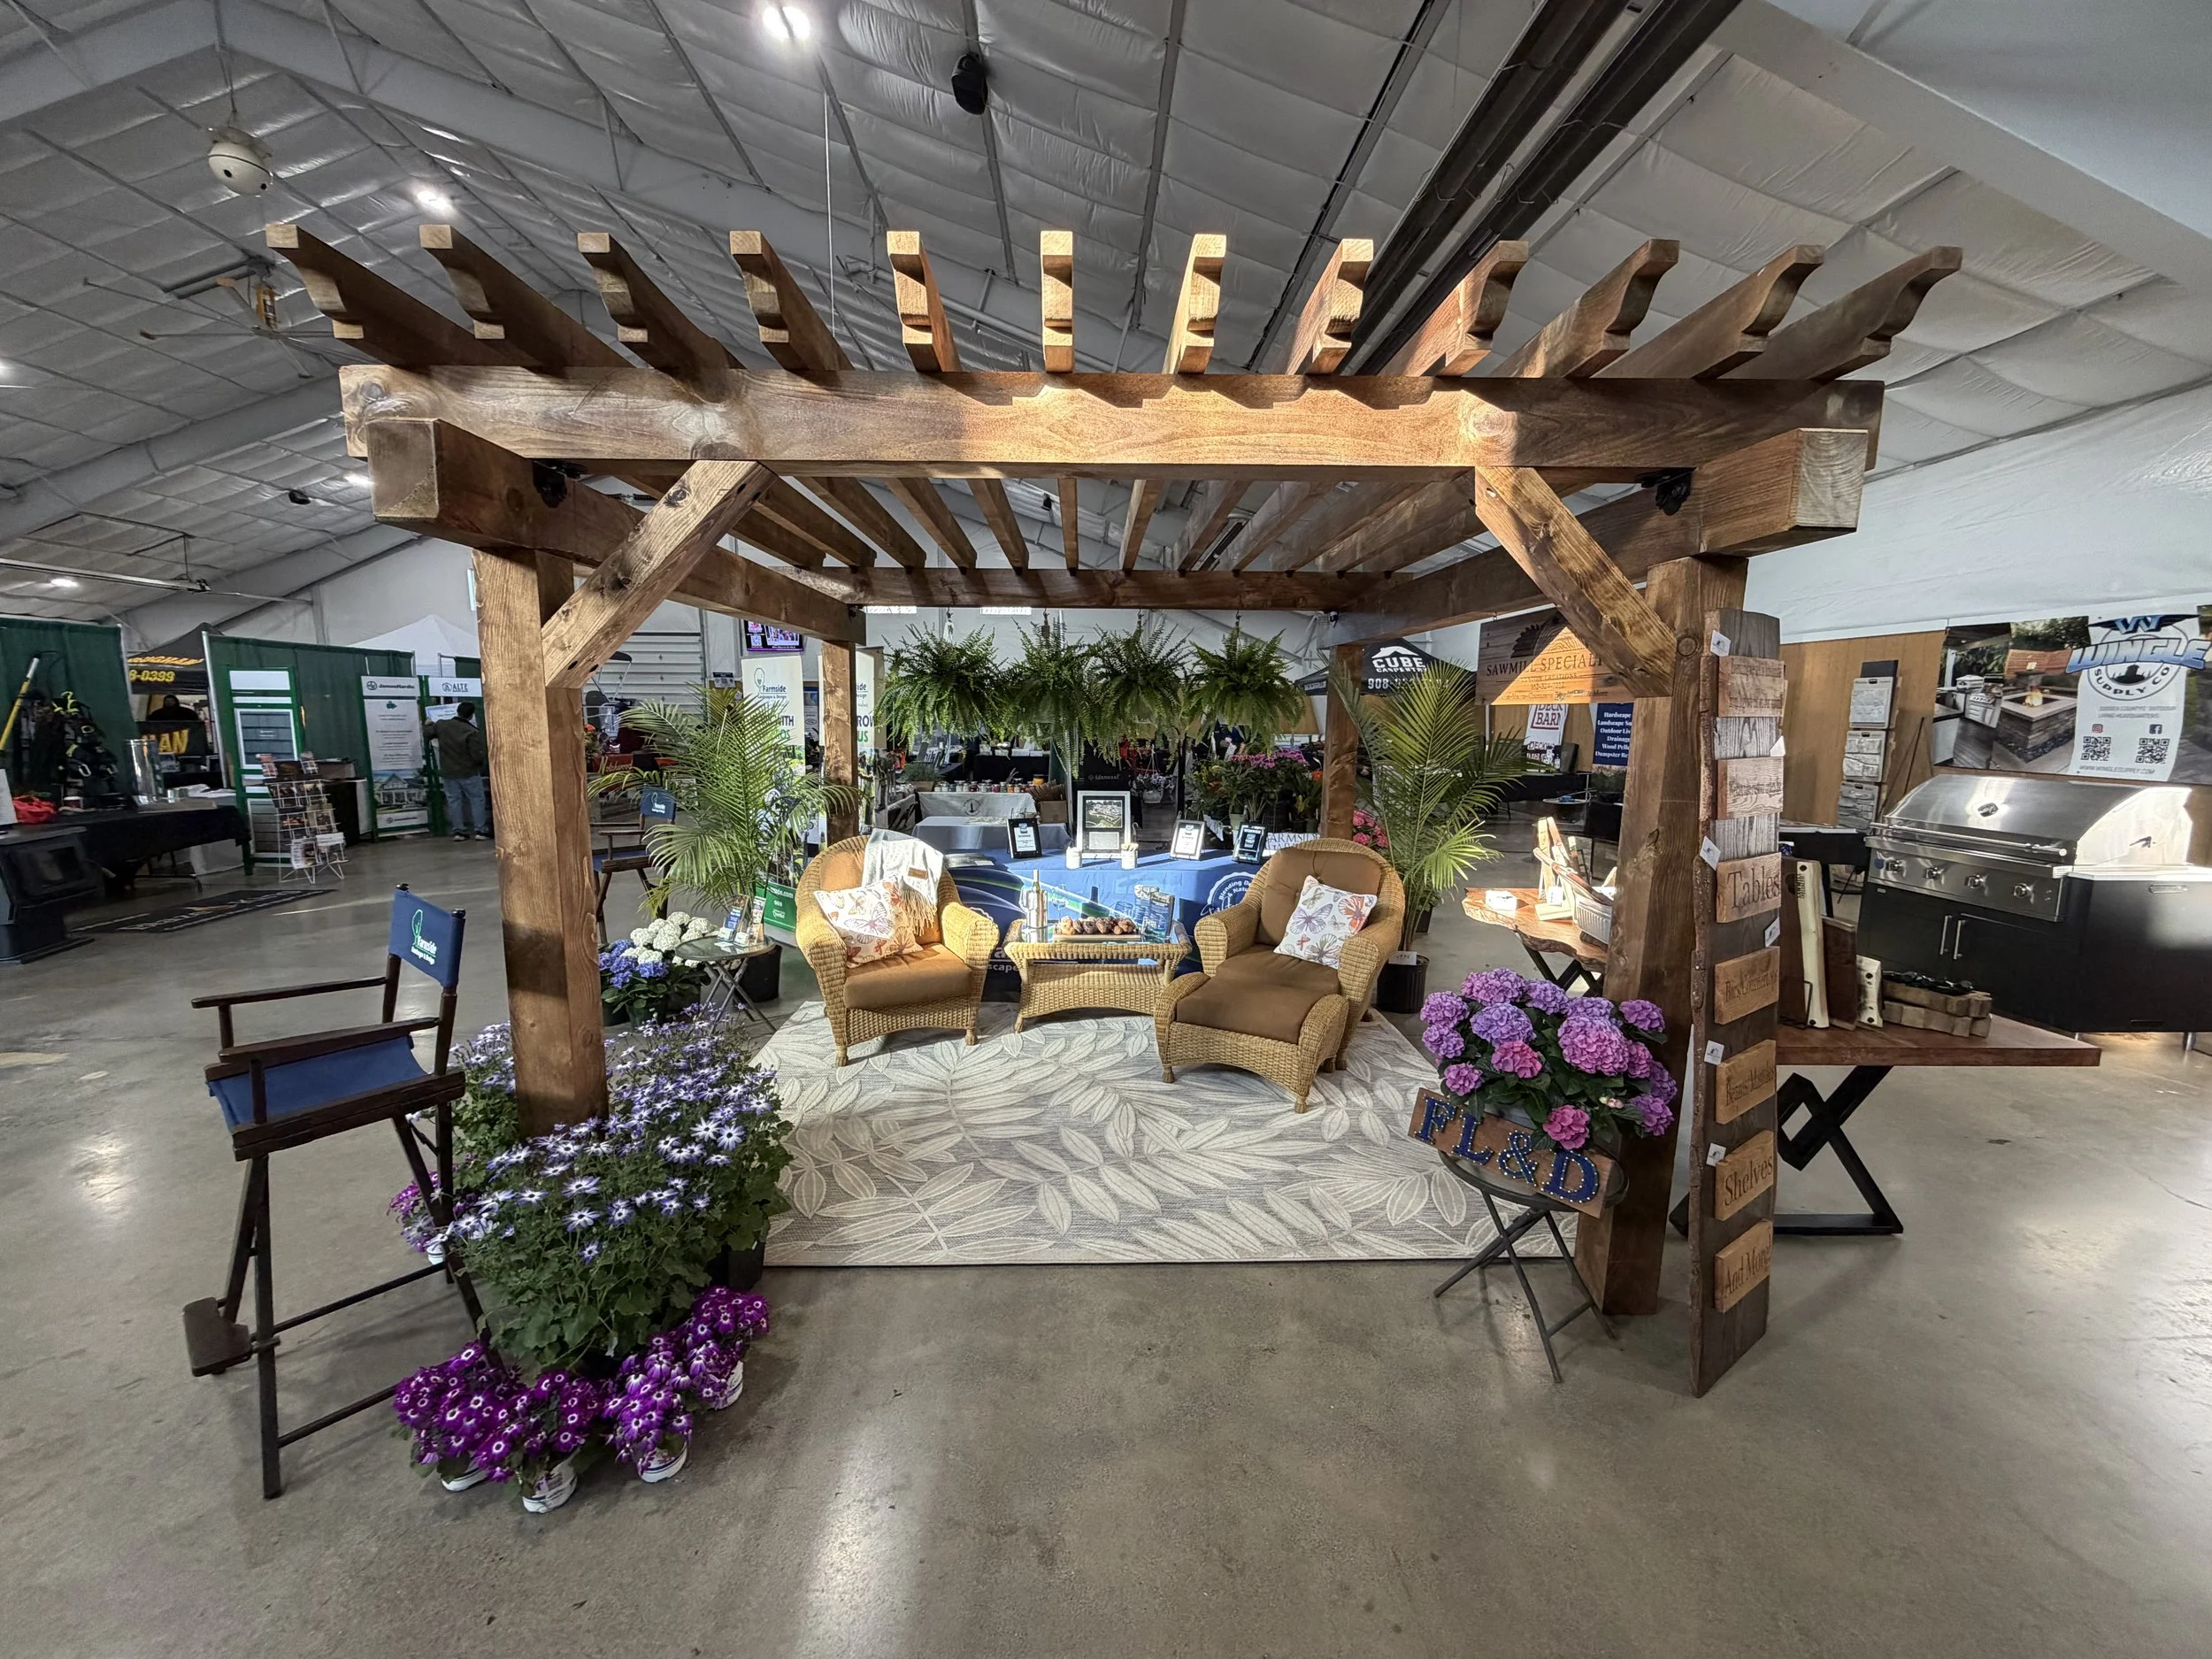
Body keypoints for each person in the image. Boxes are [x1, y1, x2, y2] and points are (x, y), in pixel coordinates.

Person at [426, 701, 489, 840]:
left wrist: (428, 723)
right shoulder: (471, 731)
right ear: (471, 715)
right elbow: (477, 755)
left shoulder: (442, 725)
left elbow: (428, 733)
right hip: (469, 772)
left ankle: (458, 831)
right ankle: (480, 831)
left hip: (448, 771)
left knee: (454, 800)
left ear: (457, 711)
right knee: (476, 800)